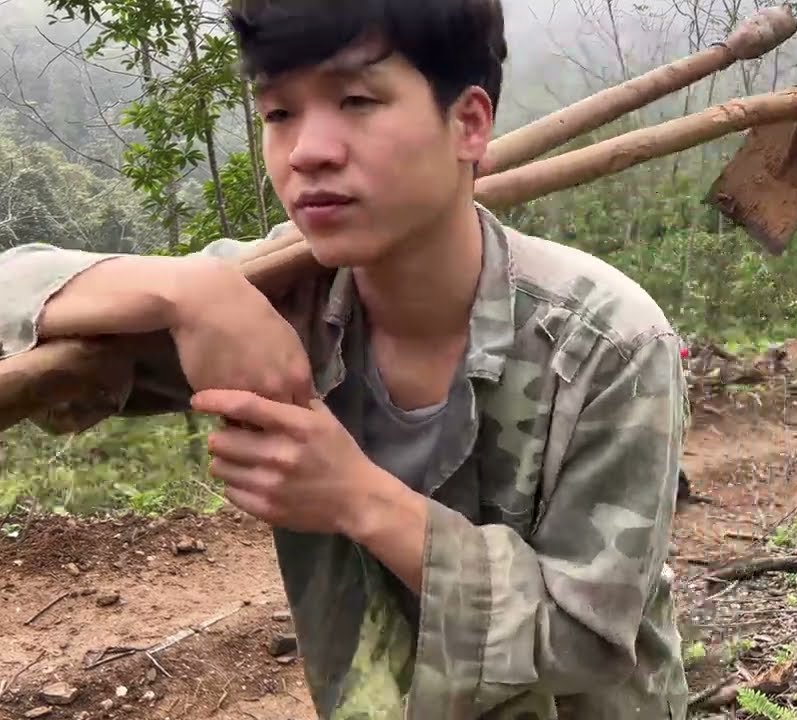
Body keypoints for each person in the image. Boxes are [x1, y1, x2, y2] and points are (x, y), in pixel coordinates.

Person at [0, 0, 690, 717]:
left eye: (357, 100)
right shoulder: (268, 303)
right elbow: (14, 288)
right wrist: (186, 289)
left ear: (469, 123)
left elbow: (585, 642)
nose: (307, 151)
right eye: (277, 114)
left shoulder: (606, 342)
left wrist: (357, 497)